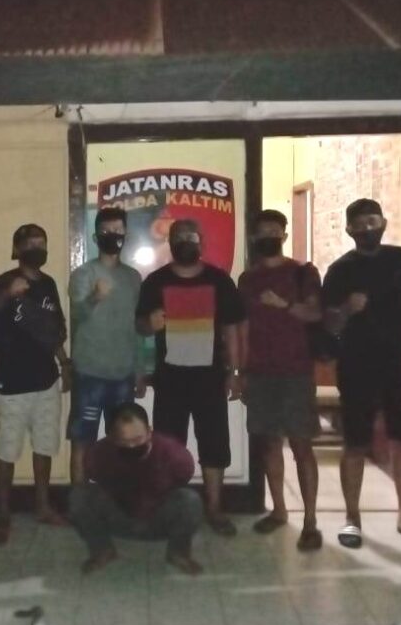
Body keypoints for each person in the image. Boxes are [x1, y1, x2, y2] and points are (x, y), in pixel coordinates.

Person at [322, 198, 401, 550]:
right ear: (349, 229)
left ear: (383, 223)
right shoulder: (340, 270)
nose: (368, 229)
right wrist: (346, 310)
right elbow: (330, 325)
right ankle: (352, 518)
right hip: (357, 367)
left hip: (399, 366)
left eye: (373, 221)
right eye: (360, 224)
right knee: (355, 444)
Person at [136, 218, 246, 537]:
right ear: (170, 243)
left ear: (202, 242)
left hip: (210, 378)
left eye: (191, 236)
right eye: (179, 236)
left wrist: (235, 372)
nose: (186, 241)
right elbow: (139, 327)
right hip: (169, 379)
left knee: (215, 446)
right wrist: (149, 323)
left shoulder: (219, 281)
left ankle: (214, 509)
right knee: (168, 449)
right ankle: (171, 511)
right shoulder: (155, 282)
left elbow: (232, 330)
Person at [238, 210, 323, 550]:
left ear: (284, 235)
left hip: (296, 372)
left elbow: (314, 313)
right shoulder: (247, 279)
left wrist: (283, 304)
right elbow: (242, 327)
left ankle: (311, 520)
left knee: (302, 445)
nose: (269, 236)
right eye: (263, 231)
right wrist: (240, 371)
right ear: (254, 237)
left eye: (275, 230)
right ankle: (279, 510)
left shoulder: (303, 272)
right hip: (259, 373)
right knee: (269, 443)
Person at [0, 223, 71, 544]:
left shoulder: (48, 284)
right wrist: (8, 294)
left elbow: (54, 330)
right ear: (16, 249)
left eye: (41, 243)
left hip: (45, 378)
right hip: (11, 380)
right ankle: (3, 512)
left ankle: (42, 506)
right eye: (30, 243)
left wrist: (64, 362)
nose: (37, 248)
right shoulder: (2, 282)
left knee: (44, 445)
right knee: (8, 449)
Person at [69, 403, 204, 575]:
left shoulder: (175, 455)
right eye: (125, 441)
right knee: (79, 496)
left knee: (190, 500)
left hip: (159, 522)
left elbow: (182, 478)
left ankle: (178, 553)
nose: (132, 446)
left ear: (149, 432)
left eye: (138, 440)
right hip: (120, 519)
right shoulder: (98, 454)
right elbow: (96, 479)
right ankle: (102, 550)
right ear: (113, 437)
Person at [67, 207, 146, 484]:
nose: (112, 235)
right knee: (82, 441)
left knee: (124, 442)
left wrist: (139, 370)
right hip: (89, 373)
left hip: (123, 374)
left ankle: (119, 498)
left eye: (118, 231)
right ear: (95, 236)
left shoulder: (133, 277)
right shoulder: (83, 274)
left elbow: (136, 327)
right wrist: (95, 298)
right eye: (106, 231)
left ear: (126, 235)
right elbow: (76, 315)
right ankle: (79, 501)